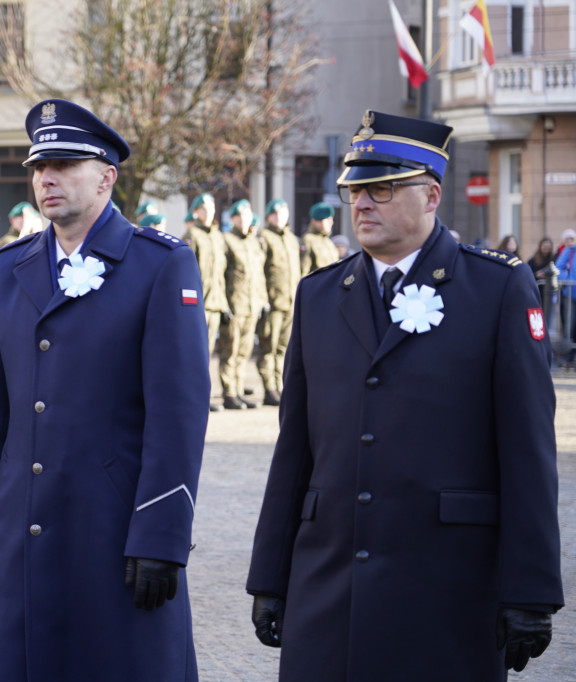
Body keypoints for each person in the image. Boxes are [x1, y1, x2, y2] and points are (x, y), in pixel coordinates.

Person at [246, 110, 563, 680]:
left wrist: (531, 589)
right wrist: (270, 576)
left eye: (382, 188)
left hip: (445, 587)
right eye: (355, 191)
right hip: (329, 587)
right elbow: (294, 448)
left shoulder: (495, 288)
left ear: (432, 194)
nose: (362, 204)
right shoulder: (320, 294)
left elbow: (529, 450)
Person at [0, 99, 210, 682]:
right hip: (23, 529)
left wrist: (162, 533)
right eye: (39, 167)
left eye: (66, 165)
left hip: (113, 530)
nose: (47, 178)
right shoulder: (8, 268)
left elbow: (178, 412)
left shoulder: (158, 265)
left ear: (107, 176)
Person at [183, 192, 229, 411]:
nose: (208, 212)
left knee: (212, 352)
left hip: (217, 302)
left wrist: (226, 303)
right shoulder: (192, 235)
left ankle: (208, 394)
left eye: (211, 208)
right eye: (203, 209)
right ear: (196, 212)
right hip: (200, 304)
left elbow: (223, 273)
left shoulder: (218, 236)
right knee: (200, 354)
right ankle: (199, 396)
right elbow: (185, 273)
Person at [218, 199, 266, 409]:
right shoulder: (227, 240)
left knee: (245, 350)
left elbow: (260, 275)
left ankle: (237, 390)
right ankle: (228, 392)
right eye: (241, 216)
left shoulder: (253, 242)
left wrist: (262, 300)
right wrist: (222, 304)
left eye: (248, 215)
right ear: (234, 218)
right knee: (231, 350)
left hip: (252, 305)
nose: (245, 219)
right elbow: (219, 275)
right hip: (235, 304)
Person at [257, 198, 300, 406]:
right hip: (273, 302)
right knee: (269, 347)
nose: (279, 217)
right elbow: (259, 271)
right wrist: (263, 299)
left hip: (289, 301)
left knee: (284, 348)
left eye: (283, 213)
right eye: (275, 214)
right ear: (268, 217)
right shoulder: (265, 238)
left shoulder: (292, 239)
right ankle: (269, 387)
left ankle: (280, 385)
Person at [528, 237, 558, 336]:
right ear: (540, 246)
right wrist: (537, 275)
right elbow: (528, 274)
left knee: (549, 315)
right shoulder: (533, 260)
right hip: (538, 292)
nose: (546, 248)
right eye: (544, 246)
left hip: (551, 292)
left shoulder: (554, 259)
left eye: (549, 247)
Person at [300, 201, 339, 274]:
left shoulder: (328, 241)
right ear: (315, 221)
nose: (331, 222)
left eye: (331, 219)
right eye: (327, 219)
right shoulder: (308, 240)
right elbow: (303, 272)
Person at [556, 230, 576, 365]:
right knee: (569, 325)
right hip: (570, 293)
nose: (570, 241)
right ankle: (568, 355)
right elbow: (558, 268)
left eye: (572, 238)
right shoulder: (569, 251)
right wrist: (567, 279)